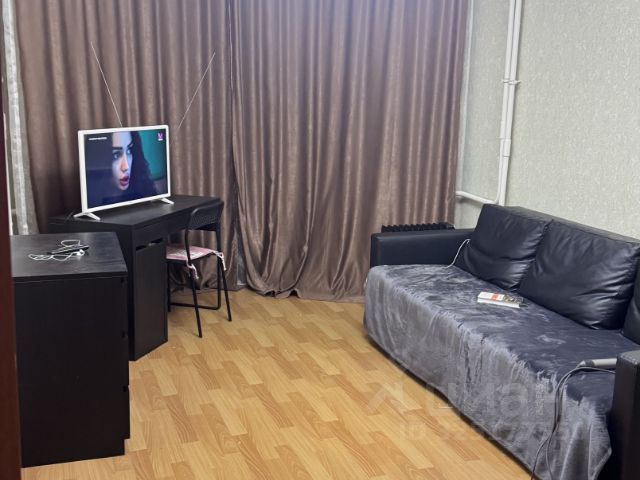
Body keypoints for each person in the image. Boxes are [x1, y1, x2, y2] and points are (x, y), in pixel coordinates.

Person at [85, 130, 157, 209]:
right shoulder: (92, 199)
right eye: (116, 155)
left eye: (129, 151)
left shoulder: (143, 192)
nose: (126, 167)